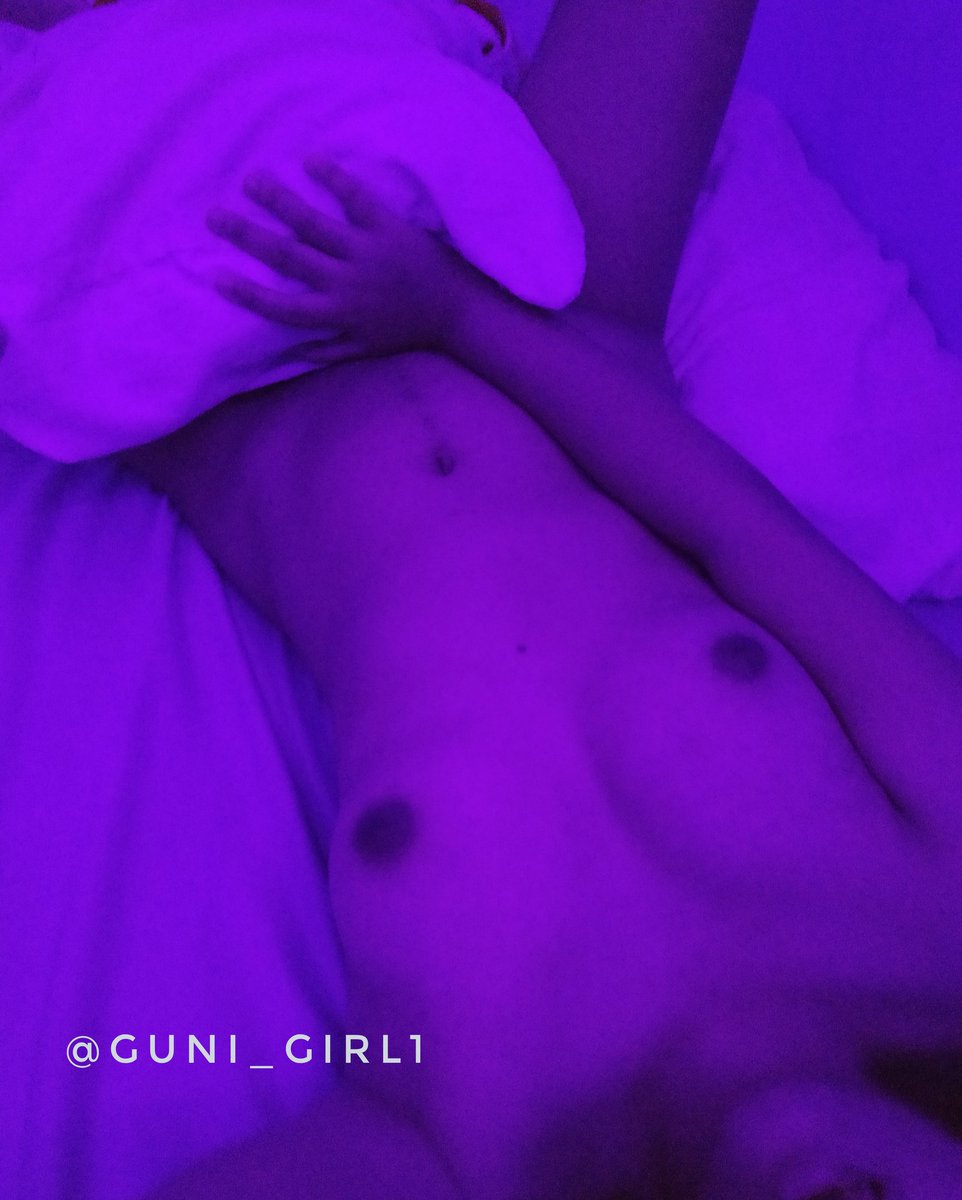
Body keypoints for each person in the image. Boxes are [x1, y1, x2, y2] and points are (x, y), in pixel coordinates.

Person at [123, 1, 962, 1196]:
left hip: (238, 381)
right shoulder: (941, 906)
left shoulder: (493, 1145)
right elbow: (731, 526)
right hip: (552, 314)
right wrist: (451, 308)